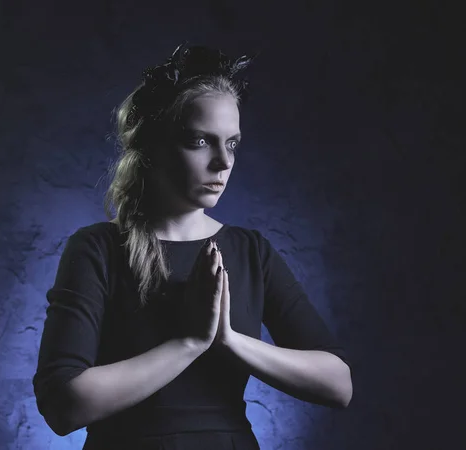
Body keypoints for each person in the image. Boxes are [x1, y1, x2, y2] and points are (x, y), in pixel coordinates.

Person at [32, 42, 353, 450]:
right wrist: (189, 343)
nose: (224, 162)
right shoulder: (97, 249)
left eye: (232, 143)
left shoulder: (250, 251)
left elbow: (338, 384)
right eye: (200, 141)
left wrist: (231, 341)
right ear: (154, 146)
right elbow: (64, 406)